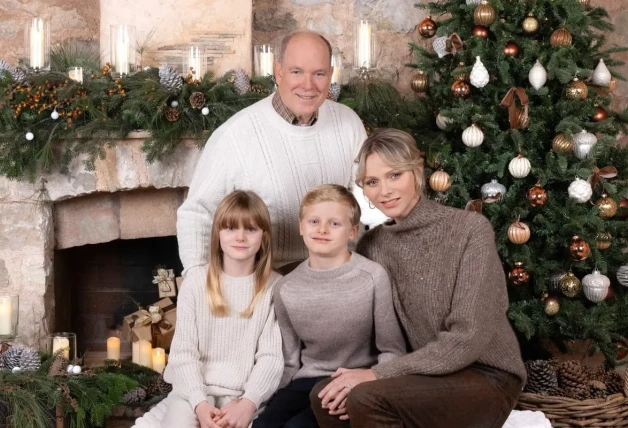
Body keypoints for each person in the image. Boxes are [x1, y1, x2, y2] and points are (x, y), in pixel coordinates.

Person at [311, 129, 526, 427]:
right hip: (420, 376)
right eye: (372, 182)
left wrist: (377, 375)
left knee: (365, 397)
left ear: (417, 171)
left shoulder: (469, 230)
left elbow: (468, 337)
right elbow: (366, 328)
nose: (384, 190)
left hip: (485, 375)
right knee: (327, 396)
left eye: (394, 175)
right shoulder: (372, 244)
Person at [177, 31, 384, 277]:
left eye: (318, 73)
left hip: (339, 273)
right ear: (279, 72)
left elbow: (369, 201)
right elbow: (197, 212)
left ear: (330, 75)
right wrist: (197, 280)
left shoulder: (348, 123)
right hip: (266, 282)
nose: (308, 85)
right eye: (297, 72)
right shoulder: (235, 134)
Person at [252, 184, 405, 428]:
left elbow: (393, 350)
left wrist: (368, 385)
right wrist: (262, 399)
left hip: (354, 381)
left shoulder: (373, 277)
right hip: (305, 381)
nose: (322, 229)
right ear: (301, 226)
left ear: (352, 231)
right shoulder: (286, 288)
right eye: (313, 221)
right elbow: (290, 359)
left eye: (334, 223)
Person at [134, 190, 283, 428]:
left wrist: (248, 403)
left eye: (251, 229)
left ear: (264, 236)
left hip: (243, 398)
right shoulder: (195, 282)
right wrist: (199, 404)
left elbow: (271, 359)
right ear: (217, 234)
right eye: (231, 228)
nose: (240, 237)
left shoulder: (273, 288)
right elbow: (183, 353)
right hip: (192, 395)